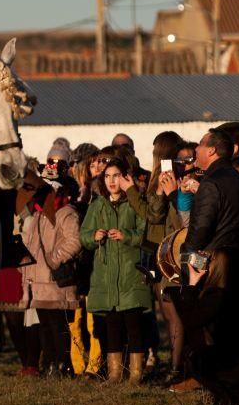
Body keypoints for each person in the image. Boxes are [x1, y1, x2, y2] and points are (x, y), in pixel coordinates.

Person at [171, 128, 239, 405]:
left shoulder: (212, 183)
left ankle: (227, 394)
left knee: (214, 334)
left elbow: (199, 231)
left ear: (212, 151)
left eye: (201, 145)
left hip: (215, 264)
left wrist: (187, 258)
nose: (196, 149)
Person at [122, 131, 185, 383]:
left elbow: (153, 214)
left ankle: (177, 367)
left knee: (172, 315)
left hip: (166, 252)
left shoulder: (165, 177)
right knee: (168, 312)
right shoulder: (171, 175)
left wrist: (131, 191)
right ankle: (176, 364)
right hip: (159, 251)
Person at [80, 157, 150, 384]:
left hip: (131, 273)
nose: (111, 181)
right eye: (107, 176)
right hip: (105, 274)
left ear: (125, 178)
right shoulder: (96, 205)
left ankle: (136, 375)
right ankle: (114, 374)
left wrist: (126, 236)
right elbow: (83, 236)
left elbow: (145, 232)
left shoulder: (135, 202)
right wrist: (94, 236)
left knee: (133, 324)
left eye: (116, 176)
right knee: (111, 326)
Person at [21, 178, 82, 377]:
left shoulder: (67, 213)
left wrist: (53, 260)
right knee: (45, 326)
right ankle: (50, 364)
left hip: (55, 281)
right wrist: (26, 272)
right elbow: (29, 246)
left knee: (58, 325)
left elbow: (75, 241)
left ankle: (64, 365)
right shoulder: (38, 215)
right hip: (37, 282)